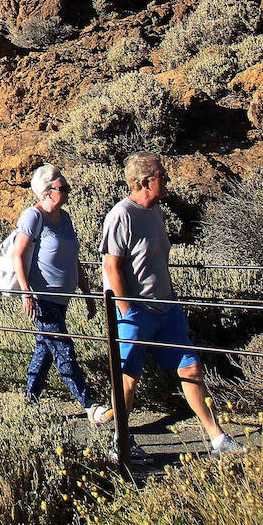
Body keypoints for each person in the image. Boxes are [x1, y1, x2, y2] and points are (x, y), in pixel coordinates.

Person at [101, 152, 243, 460]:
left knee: (191, 368)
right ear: (144, 182)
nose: (166, 181)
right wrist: (127, 310)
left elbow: (157, 261)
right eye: (161, 176)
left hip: (166, 308)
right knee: (127, 377)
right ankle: (119, 440)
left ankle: (217, 437)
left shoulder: (157, 213)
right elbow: (112, 266)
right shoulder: (121, 215)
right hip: (135, 311)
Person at [13, 164, 111, 424]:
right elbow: (18, 254)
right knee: (63, 348)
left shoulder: (65, 217)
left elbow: (74, 258)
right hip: (42, 298)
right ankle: (90, 405)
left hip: (62, 297)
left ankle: (29, 401)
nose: (67, 191)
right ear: (46, 192)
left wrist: (87, 292)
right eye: (62, 188)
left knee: (45, 349)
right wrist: (26, 293)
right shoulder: (34, 217)